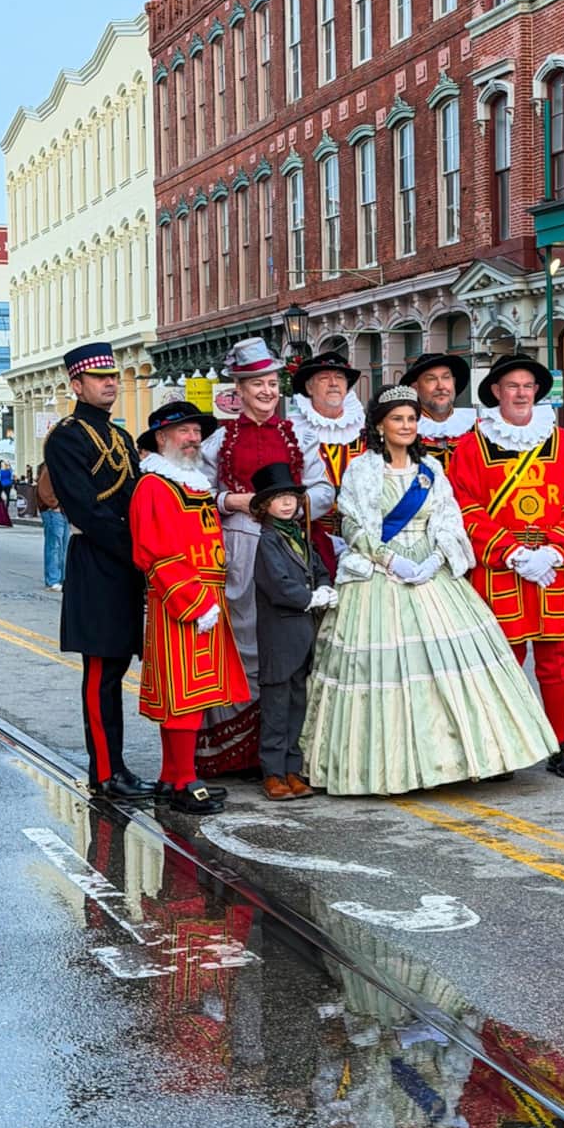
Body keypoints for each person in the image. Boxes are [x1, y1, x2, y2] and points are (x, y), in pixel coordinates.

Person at [299, 385, 559, 795]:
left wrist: (434, 561)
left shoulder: (432, 470)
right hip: (380, 574)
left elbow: (450, 522)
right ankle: (388, 766)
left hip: (430, 570)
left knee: (452, 666)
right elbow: (351, 525)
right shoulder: (361, 471)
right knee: (383, 672)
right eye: (398, 418)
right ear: (380, 425)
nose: (406, 425)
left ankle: (467, 758)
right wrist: (391, 561)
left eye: (411, 419)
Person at [448, 355, 564, 779]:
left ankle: (559, 742)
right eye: (511, 386)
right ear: (496, 392)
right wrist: (511, 551)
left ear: (537, 391)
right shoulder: (472, 444)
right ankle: (505, 746)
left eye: (527, 386)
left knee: (556, 660)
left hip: (552, 564)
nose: (519, 393)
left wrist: (555, 550)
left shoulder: (563, 442)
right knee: (502, 659)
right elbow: (464, 507)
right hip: (501, 566)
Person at [198, 338, 333, 778]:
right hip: (240, 547)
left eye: (272, 383)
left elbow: (325, 491)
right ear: (239, 389)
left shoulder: (300, 436)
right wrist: (230, 500)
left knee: (292, 642)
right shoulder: (219, 442)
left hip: (290, 546)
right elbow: (198, 496)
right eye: (257, 383)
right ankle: (242, 749)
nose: (267, 391)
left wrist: (289, 505)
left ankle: (284, 749)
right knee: (245, 639)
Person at [42, 343, 152, 798]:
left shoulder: (122, 437)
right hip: (97, 562)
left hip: (126, 564)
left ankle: (119, 768)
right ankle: (105, 772)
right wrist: (138, 551)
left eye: (112, 376)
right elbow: (85, 509)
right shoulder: (66, 437)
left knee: (118, 666)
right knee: (101, 674)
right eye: (99, 377)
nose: (110, 383)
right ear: (77, 384)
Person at [130, 402, 249, 815]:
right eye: (184, 431)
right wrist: (194, 602)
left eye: (196, 430)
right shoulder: (154, 486)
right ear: (162, 439)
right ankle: (184, 780)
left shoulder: (190, 482)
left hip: (207, 599)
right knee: (183, 694)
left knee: (193, 694)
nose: (193, 438)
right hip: (182, 600)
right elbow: (155, 552)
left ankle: (170, 776)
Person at [251, 461, 337, 802]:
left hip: (303, 635)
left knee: (297, 703)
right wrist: (309, 597)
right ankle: (272, 772)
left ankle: (292, 768)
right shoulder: (268, 540)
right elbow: (278, 585)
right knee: (275, 705)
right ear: (263, 506)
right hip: (279, 636)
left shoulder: (299, 536)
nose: (287, 503)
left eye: (291, 497)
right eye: (279, 498)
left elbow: (317, 568)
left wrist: (326, 586)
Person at [289, 350, 365, 560]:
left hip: (364, 536)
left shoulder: (366, 429)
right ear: (309, 387)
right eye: (324, 378)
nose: (333, 383)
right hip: (309, 535)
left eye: (339, 378)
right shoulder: (292, 431)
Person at [400, 352, 476, 471]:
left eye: (446, 378)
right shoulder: (403, 430)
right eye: (431, 379)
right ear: (415, 388)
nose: (441, 386)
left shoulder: (477, 426)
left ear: (454, 383)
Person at [36, 459, 69, 587]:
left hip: (62, 511)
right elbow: (43, 490)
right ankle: (53, 580)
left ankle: (61, 578)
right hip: (54, 511)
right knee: (55, 546)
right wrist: (54, 505)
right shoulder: (51, 466)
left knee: (63, 546)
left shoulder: (61, 465)